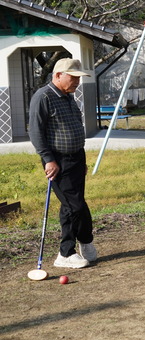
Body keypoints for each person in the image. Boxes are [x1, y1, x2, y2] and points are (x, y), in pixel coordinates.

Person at [28, 58, 97, 268]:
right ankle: (65, 253)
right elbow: (36, 132)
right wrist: (48, 160)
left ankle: (85, 241)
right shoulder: (43, 97)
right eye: (73, 77)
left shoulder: (68, 97)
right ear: (58, 75)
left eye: (78, 78)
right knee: (72, 205)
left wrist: (81, 156)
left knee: (77, 203)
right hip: (58, 160)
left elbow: (75, 126)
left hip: (76, 157)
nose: (77, 82)